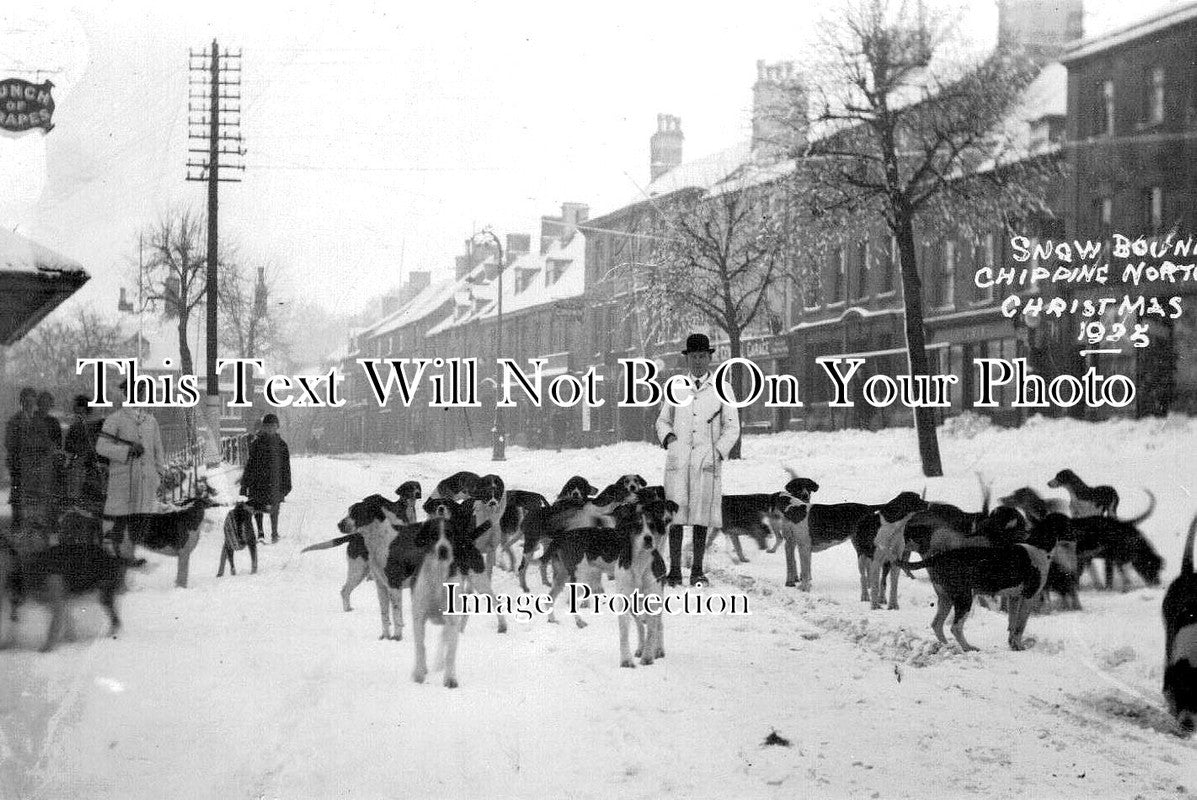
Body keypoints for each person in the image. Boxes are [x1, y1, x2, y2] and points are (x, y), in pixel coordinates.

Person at [655, 333, 741, 587]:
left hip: (707, 460)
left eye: (702, 356)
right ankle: (673, 571)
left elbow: (732, 427)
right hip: (679, 459)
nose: (698, 361)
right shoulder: (676, 387)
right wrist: (669, 438)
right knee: (676, 515)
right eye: (693, 357)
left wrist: (717, 452)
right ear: (687, 359)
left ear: (710, 357)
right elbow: (662, 420)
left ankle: (697, 570)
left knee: (702, 516)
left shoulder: (722, 389)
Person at [95, 379, 168, 561]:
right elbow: (101, 447)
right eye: (135, 392)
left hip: (146, 482)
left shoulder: (151, 421)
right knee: (121, 521)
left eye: (141, 393)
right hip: (124, 481)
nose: (139, 396)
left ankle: (131, 556)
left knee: (141, 521)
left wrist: (159, 476)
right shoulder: (115, 419)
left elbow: (158, 451)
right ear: (126, 394)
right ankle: (118, 559)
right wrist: (127, 450)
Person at [240, 413, 292, 543]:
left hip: (275, 482)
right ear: (263, 427)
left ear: (277, 427)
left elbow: (286, 467)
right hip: (257, 481)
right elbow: (250, 464)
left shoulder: (282, 445)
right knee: (257, 506)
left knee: (275, 507)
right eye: (267, 426)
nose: (270, 429)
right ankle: (260, 532)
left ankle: (274, 532)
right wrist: (244, 484)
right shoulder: (256, 444)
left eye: (272, 426)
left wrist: (287, 485)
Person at [4, 387, 39, 526]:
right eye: (26, 401)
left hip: (36, 464)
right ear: (21, 402)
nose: (29, 404)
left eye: (31, 401)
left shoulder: (38, 419)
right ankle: (17, 523)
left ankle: (32, 523)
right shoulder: (15, 420)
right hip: (19, 463)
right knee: (18, 493)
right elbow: (9, 442)